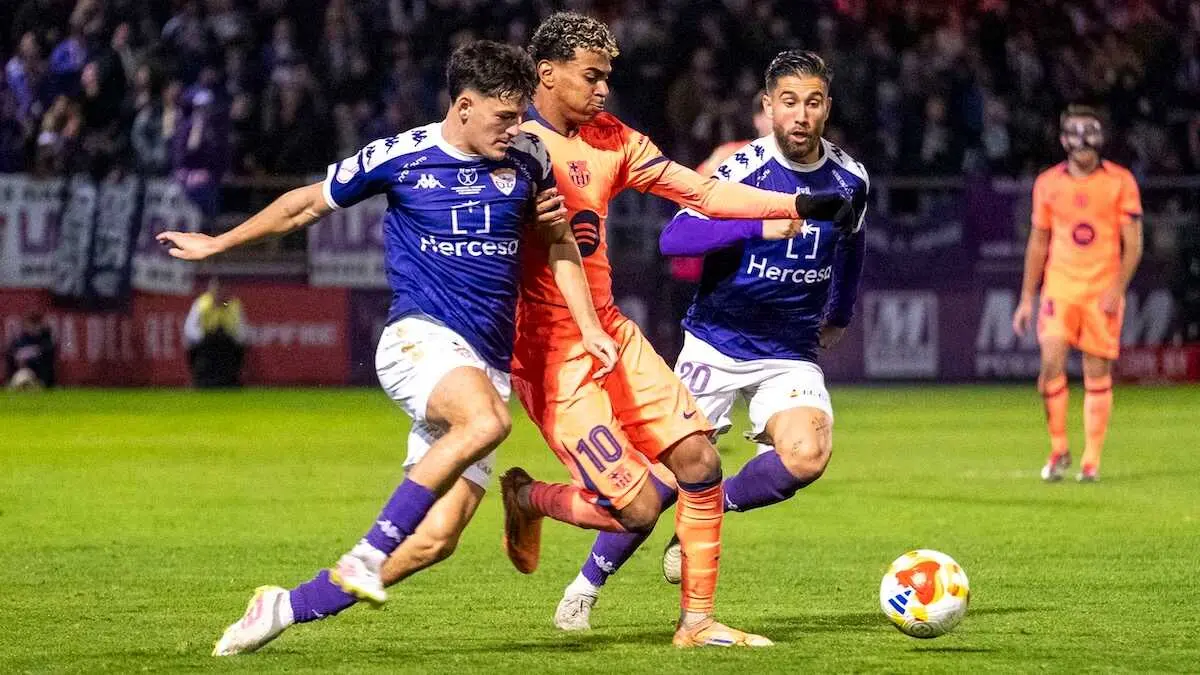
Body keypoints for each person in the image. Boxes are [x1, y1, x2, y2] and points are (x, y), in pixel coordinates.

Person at [156, 40, 616, 656]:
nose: (517, 127)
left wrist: (587, 325)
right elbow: (302, 207)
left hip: (485, 360)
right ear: (463, 106)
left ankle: (285, 607)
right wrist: (219, 244)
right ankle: (366, 554)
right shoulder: (402, 155)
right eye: (504, 116)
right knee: (486, 423)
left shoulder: (529, 155)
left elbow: (558, 241)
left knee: (435, 541)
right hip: (418, 339)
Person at [491, 13, 851, 648]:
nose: (604, 90)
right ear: (546, 74)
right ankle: (530, 499)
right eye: (592, 77)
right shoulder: (507, 146)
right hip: (549, 350)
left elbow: (701, 193)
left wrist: (790, 205)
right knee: (634, 507)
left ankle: (698, 623)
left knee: (698, 459)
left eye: (608, 77)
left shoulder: (612, 139)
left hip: (611, 329)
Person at [1012, 105, 1143, 483]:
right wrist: (1026, 297)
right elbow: (1038, 242)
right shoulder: (1048, 183)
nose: (1084, 141)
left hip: (1102, 288)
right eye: (1076, 132)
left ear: (1101, 136)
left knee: (1096, 371)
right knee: (1050, 365)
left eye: (1091, 132)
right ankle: (1058, 449)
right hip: (1060, 287)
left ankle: (1091, 460)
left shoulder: (1121, 182)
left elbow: (1133, 244)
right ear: (1063, 139)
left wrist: (1117, 288)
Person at [183, 278, 246, 388]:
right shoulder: (202, 304)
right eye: (217, 289)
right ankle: (198, 379)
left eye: (222, 290)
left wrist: (231, 337)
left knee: (236, 347)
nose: (219, 293)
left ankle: (231, 378)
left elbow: (242, 331)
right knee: (192, 345)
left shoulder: (233, 305)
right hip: (205, 343)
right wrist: (204, 337)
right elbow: (190, 328)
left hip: (227, 344)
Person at [5, 312, 56, 390]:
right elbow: (13, 352)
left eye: (35, 323)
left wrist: (33, 353)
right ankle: (15, 383)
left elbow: (47, 352)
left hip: (37, 371)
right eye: (30, 323)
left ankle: (40, 384)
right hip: (22, 369)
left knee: (43, 364)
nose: (32, 326)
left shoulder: (44, 338)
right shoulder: (21, 339)